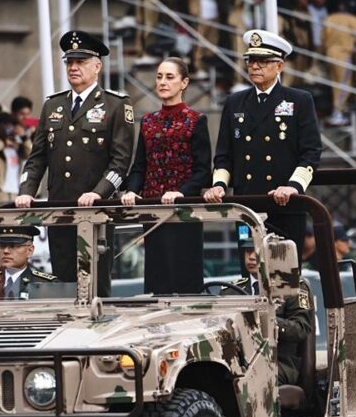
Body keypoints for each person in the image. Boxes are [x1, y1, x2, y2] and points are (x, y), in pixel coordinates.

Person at [16, 30, 135, 296]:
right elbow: (36, 159)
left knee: (95, 285)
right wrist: (26, 192)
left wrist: (99, 193)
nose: (73, 67)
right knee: (63, 283)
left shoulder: (115, 105)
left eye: (80, 62)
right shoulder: (53, 105)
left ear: (97, 66)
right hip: (60, 210)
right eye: (69, 62)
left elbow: (120, 162)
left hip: (95, 212)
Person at [203, 29, 322, 261]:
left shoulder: (298, 100)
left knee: (285, 273)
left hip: (285, 204)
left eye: (263, 61)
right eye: (251, 60)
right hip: (247, 205)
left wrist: (293, 187)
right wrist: (218, 185)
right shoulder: (235, 102)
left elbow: (310, 152)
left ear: (280, 66)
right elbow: (224, 155)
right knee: (249, 270)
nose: (255, 66)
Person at [121, 57, 211, 294]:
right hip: (153, 210)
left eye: (169, 77)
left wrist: (181, 192)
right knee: (157, 281)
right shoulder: (148, 121)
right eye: (159, 77)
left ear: (184, 83)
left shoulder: (196, 120)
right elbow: (140, 165)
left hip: (184, 211)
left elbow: (203, 172)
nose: (162, 82)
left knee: (185, 280)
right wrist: (131, 190)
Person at [226, 236, 312, 386]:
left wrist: (265, 319)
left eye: (257, 252)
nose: (252, 257)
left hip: (278, 361)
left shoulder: (293, 288)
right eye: (248, 251)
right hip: (236, 361)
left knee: (253, 381)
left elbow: (301, 329)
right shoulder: (230, 291)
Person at [0, 226, 56, 300]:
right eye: (2, 246)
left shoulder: (47, 285)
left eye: (13, 246)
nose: (6, 251)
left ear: (29, 251)